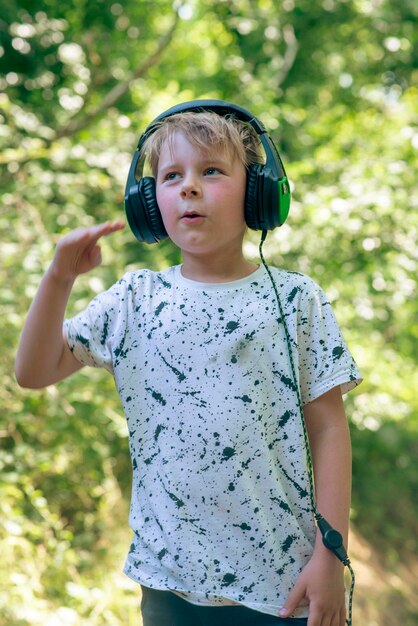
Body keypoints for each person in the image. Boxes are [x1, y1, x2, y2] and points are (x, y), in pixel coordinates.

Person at [16, 101, 362, 626]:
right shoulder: (135, 299)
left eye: (212, 171)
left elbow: (331, 429)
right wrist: (59, 277)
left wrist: (331, 556)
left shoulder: (295, 300)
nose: (189, 188)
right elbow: (33, 372)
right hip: (168, 585)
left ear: (259, 192)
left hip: (285, 587)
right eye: (171, 176)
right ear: (149, 203)